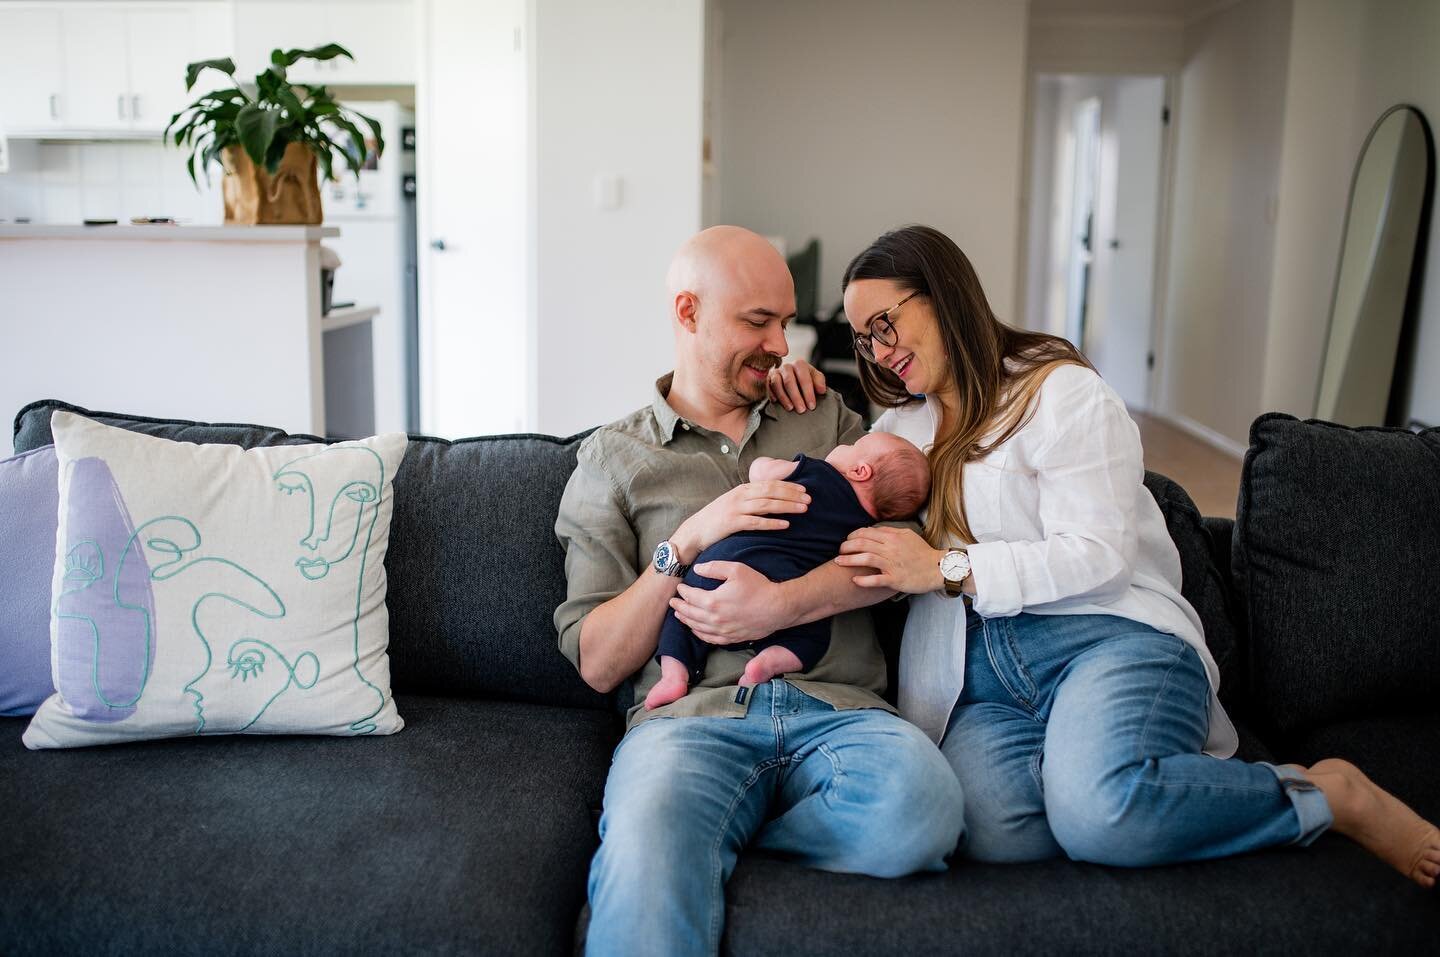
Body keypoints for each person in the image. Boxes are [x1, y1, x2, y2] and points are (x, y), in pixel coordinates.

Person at [762, 223, 1440, 887]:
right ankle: (1107, 781)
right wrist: (797, 399)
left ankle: (1330, 795)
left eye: (884, 324)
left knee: (1100, 814)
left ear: (942, 295)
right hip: (981, 679)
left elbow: (1096, 553)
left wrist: (945, 567)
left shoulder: (1061, 394)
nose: (877, 353)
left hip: (1106, 638)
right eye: (861, 339)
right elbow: (834, 505)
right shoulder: (899, 427)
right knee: (991, 830)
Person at [553, 226, 965, 957]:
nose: (783, 344)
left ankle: (719, 836)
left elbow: (902, 561)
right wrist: (691, 539)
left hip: (840, 711)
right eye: (758, 322)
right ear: (687, 313)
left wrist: (783, 604)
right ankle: (696, 836)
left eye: (785, 319)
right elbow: (598, 660)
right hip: (690, 722)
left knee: (923, 807)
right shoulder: (613, 460)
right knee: (648, 856)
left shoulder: (825, 420)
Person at [646, 433, 929, 710]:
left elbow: (762, 471)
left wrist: (762, 466)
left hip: (732, 560)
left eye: (854, 445)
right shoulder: (862, 524)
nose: (845, 444)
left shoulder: (817, 473)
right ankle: (769, 660)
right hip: (789, 575)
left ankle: (675, 674)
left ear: (860, 470)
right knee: (814, 631)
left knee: (681, 613)